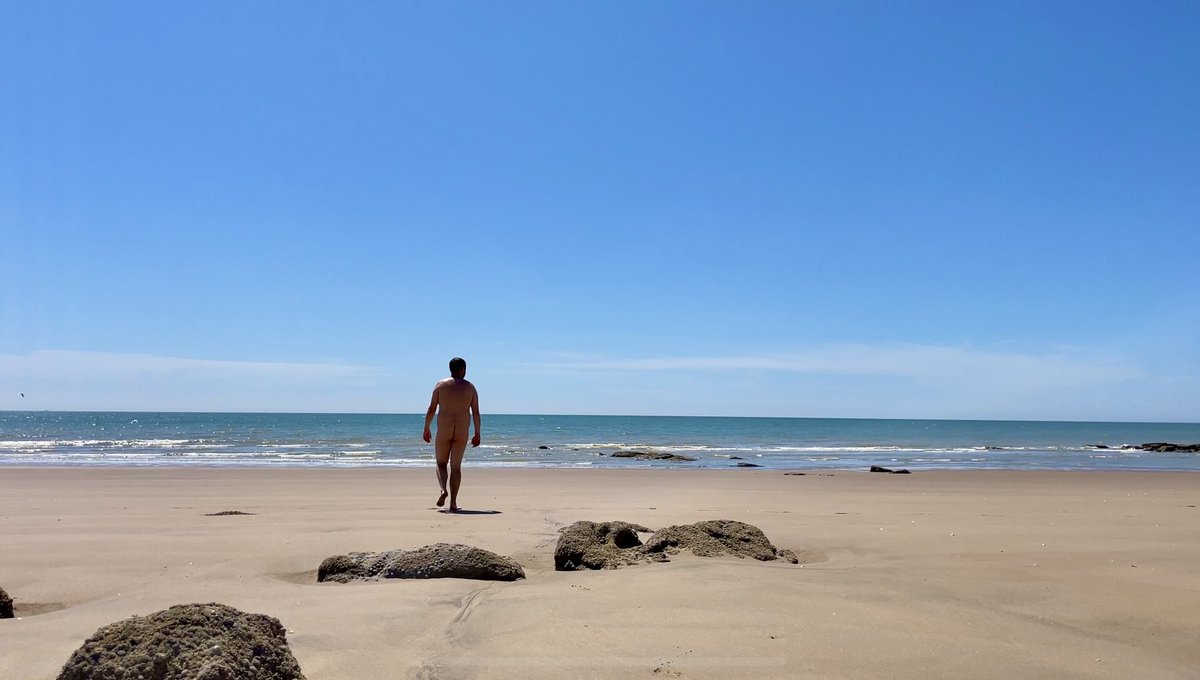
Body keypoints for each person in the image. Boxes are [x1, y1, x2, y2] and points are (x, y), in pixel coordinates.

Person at [422, 357, 480, 512]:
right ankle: (453, 503)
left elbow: (431, 409)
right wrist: (477, 433)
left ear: (451, 369)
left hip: (444, 430)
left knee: (441, 463)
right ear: (463, 370)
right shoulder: (470, 388)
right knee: (456, 468)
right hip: (462, 431)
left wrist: (426, 428)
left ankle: (443, 490)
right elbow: (475, 412)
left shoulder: (440, 385)